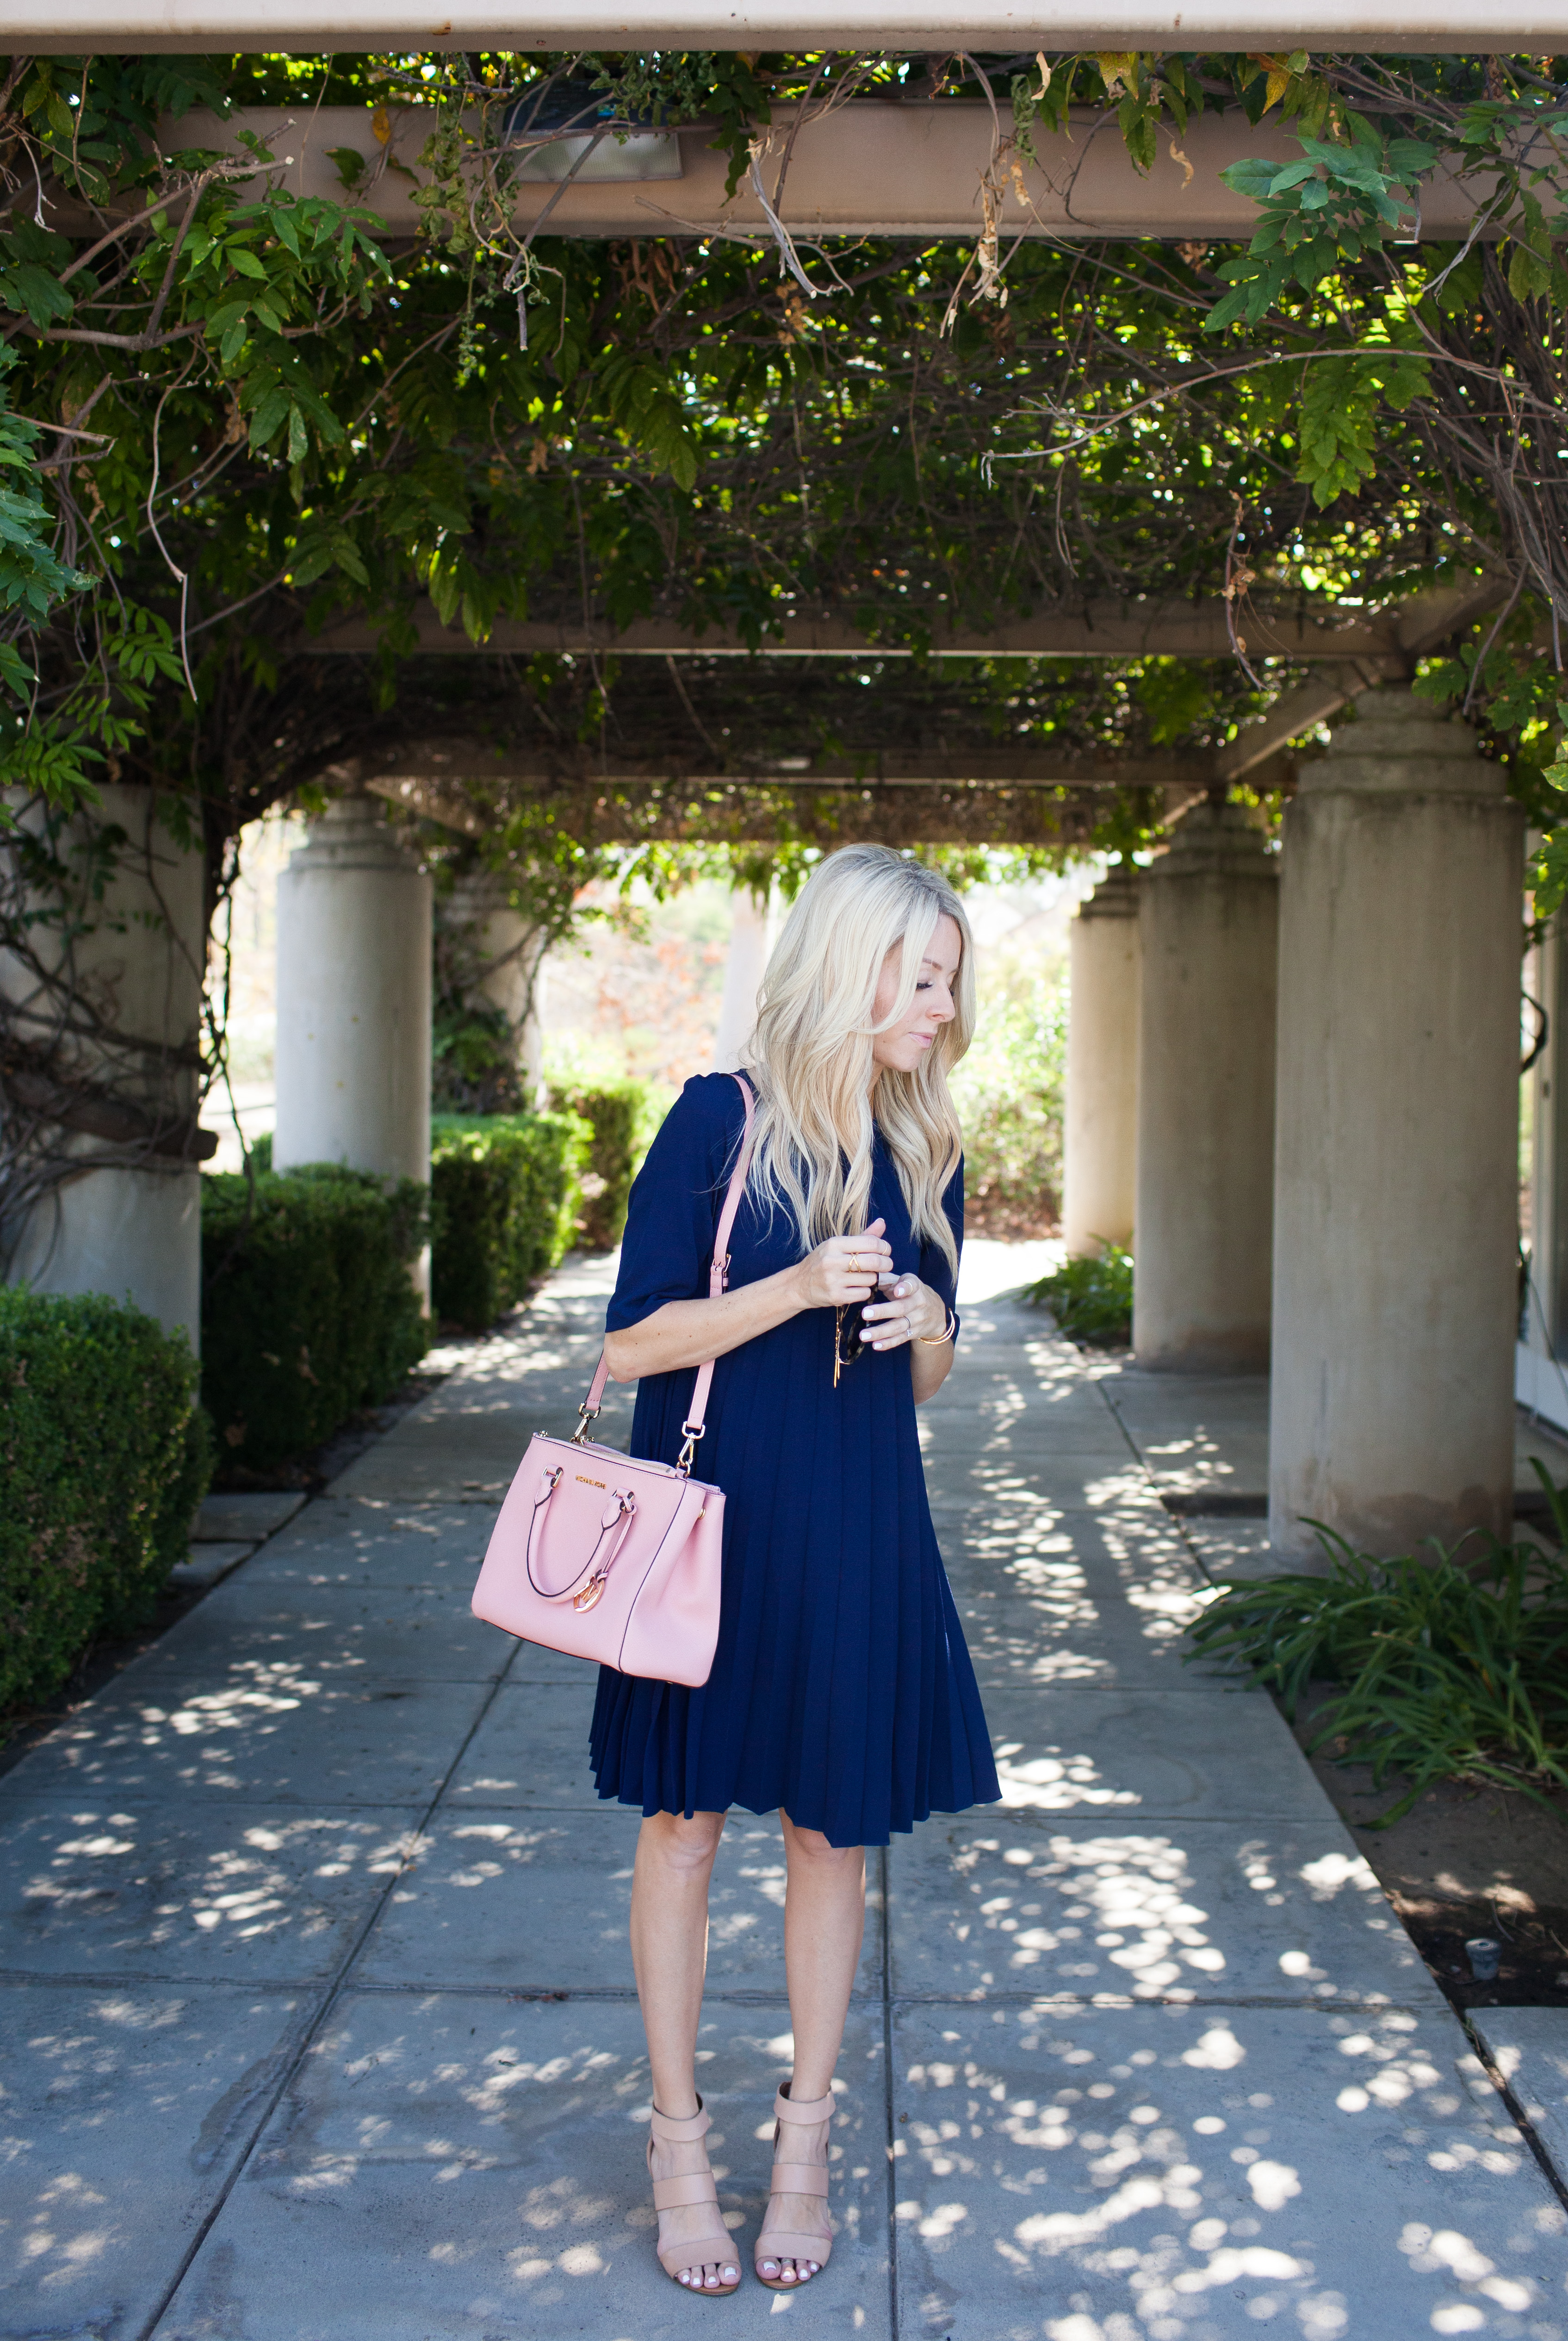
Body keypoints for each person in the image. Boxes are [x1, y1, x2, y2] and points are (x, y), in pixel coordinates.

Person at [594, 843, 999, 2298]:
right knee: (687, 1832)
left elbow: (933, 1375)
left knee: (835, 1834)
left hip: (857, 1528)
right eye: (927, 979)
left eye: (952, 983)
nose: (944, 1011)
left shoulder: (924, 1141)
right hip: (715, 1525)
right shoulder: (718, 1120)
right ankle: (679, 2144)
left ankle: (807, 2145)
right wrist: (794, 1285)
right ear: (855, 967)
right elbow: (630, 1344)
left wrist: (918, 1322)